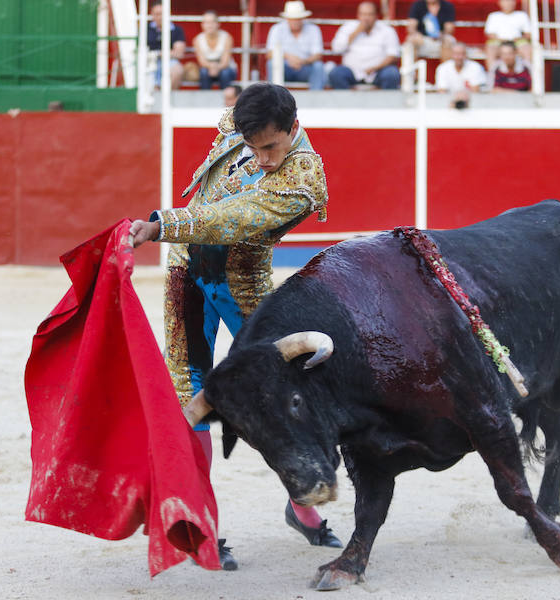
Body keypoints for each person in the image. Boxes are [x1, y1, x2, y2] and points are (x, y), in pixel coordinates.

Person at [129, 83, 341, 569]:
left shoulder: (307, 176)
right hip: (187, 272)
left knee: (291, 393)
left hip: (244, 286)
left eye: (270, 146)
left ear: (292, 127)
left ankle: (303, 507)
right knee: (192, 392)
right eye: (253, 147)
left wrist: (163, 225)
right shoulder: (235, 124)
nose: (262, 157)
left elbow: (238, 217)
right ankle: (202, 527)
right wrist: (170, 233)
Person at [329, 1, 402, 89]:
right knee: (336, 73)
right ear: (358, 15)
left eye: (370, 14)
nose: (366, 18)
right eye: (363, 14)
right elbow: (336, 49)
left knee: (392, 73)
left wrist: (375, 68)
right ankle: (344, 102)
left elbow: (393, 55)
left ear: (376, 16)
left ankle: (386, 102)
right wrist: (356, 32)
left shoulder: (387, 30)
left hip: (377, 72)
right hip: (352, 72)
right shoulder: (348, 27)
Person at [266, 1, 326, 90]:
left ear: (303, 18)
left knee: (318, 66)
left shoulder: (313, 29)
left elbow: (318, 55)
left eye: (298, 18)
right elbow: (269, 54)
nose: (295, 21)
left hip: (305, 67)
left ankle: (316, 97)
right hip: (285, 67)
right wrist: (288, 57)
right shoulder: (277, 29)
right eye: (293, 18)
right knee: (272, 64)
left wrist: (303, 61)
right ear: (287, 19)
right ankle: (275, 95)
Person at [192, 10, 236, 90]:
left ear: (218, 24)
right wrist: (211, 67)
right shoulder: (197, 40)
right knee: (204, 72)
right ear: (202, 25)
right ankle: (204, 99)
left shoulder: (227, 37)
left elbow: (225, 62)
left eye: (212, 22)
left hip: (226, 69)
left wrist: (216, 67)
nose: (210, 25)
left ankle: (226, 100)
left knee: (225, 73)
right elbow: (202, 62)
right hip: (207, 69)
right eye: (207, 22)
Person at [484, 0, 532, 72]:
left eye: (511, 1)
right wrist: (501, 40)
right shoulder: (493, 16)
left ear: (514, 3)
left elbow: (528, 34)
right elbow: (489, 34)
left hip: (517, 42)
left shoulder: (522, 15)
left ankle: (527, 75)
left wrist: (519, 39)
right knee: (490, 49)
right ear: (500, 3)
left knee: (527, 48)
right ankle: (492, 75)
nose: (508, 4)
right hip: (499, 42)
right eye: (506, 1)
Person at [148, 0, 186, 90]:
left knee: (177, 70)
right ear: (152, 15)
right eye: (157, 14)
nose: (160, 17)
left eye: (162, 14)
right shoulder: (145, 29)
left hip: (169, 61)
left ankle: (168, 100)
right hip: (149, 62)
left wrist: (158, 54)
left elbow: (179, 53)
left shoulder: (177, 30)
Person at [435, 42, 486, 107]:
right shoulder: (442, 68)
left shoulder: (475, 67)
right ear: (451, 54)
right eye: (456, 54)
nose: (459, 57)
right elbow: (441, 92)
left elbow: (476, 92)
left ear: (466, 55)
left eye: (462, 54)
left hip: (471, 105)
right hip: (448, 105)